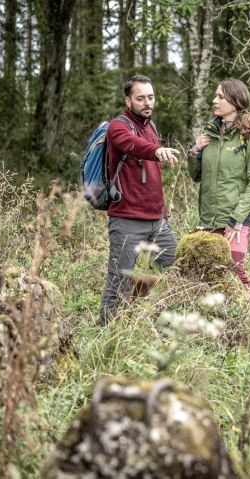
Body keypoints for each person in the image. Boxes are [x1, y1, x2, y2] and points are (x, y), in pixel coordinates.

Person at [100, 75, 180, 326]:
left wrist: (164, 213)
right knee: (118, 282)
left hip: (158, 222)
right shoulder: (118, 126)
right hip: (126, 222)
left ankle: (175, 328)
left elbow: (153, 177)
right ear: (128, 100)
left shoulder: (151, 126)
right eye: (141, 98)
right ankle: (106, 337)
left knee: (178, 272)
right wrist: (156, 150)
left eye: (151, 97)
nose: (147, 103)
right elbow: (133, 145)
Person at [188, 79, 250, 319]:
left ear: (235, 101)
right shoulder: (209, 134)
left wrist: (235, 219)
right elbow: (196, 175)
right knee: (209, 270)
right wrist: (194, 151)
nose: (215, 101)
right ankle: (220, 323)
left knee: (235, 268)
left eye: (221, 97)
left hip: (237, 219)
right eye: (215, 96)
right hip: (210, 217)